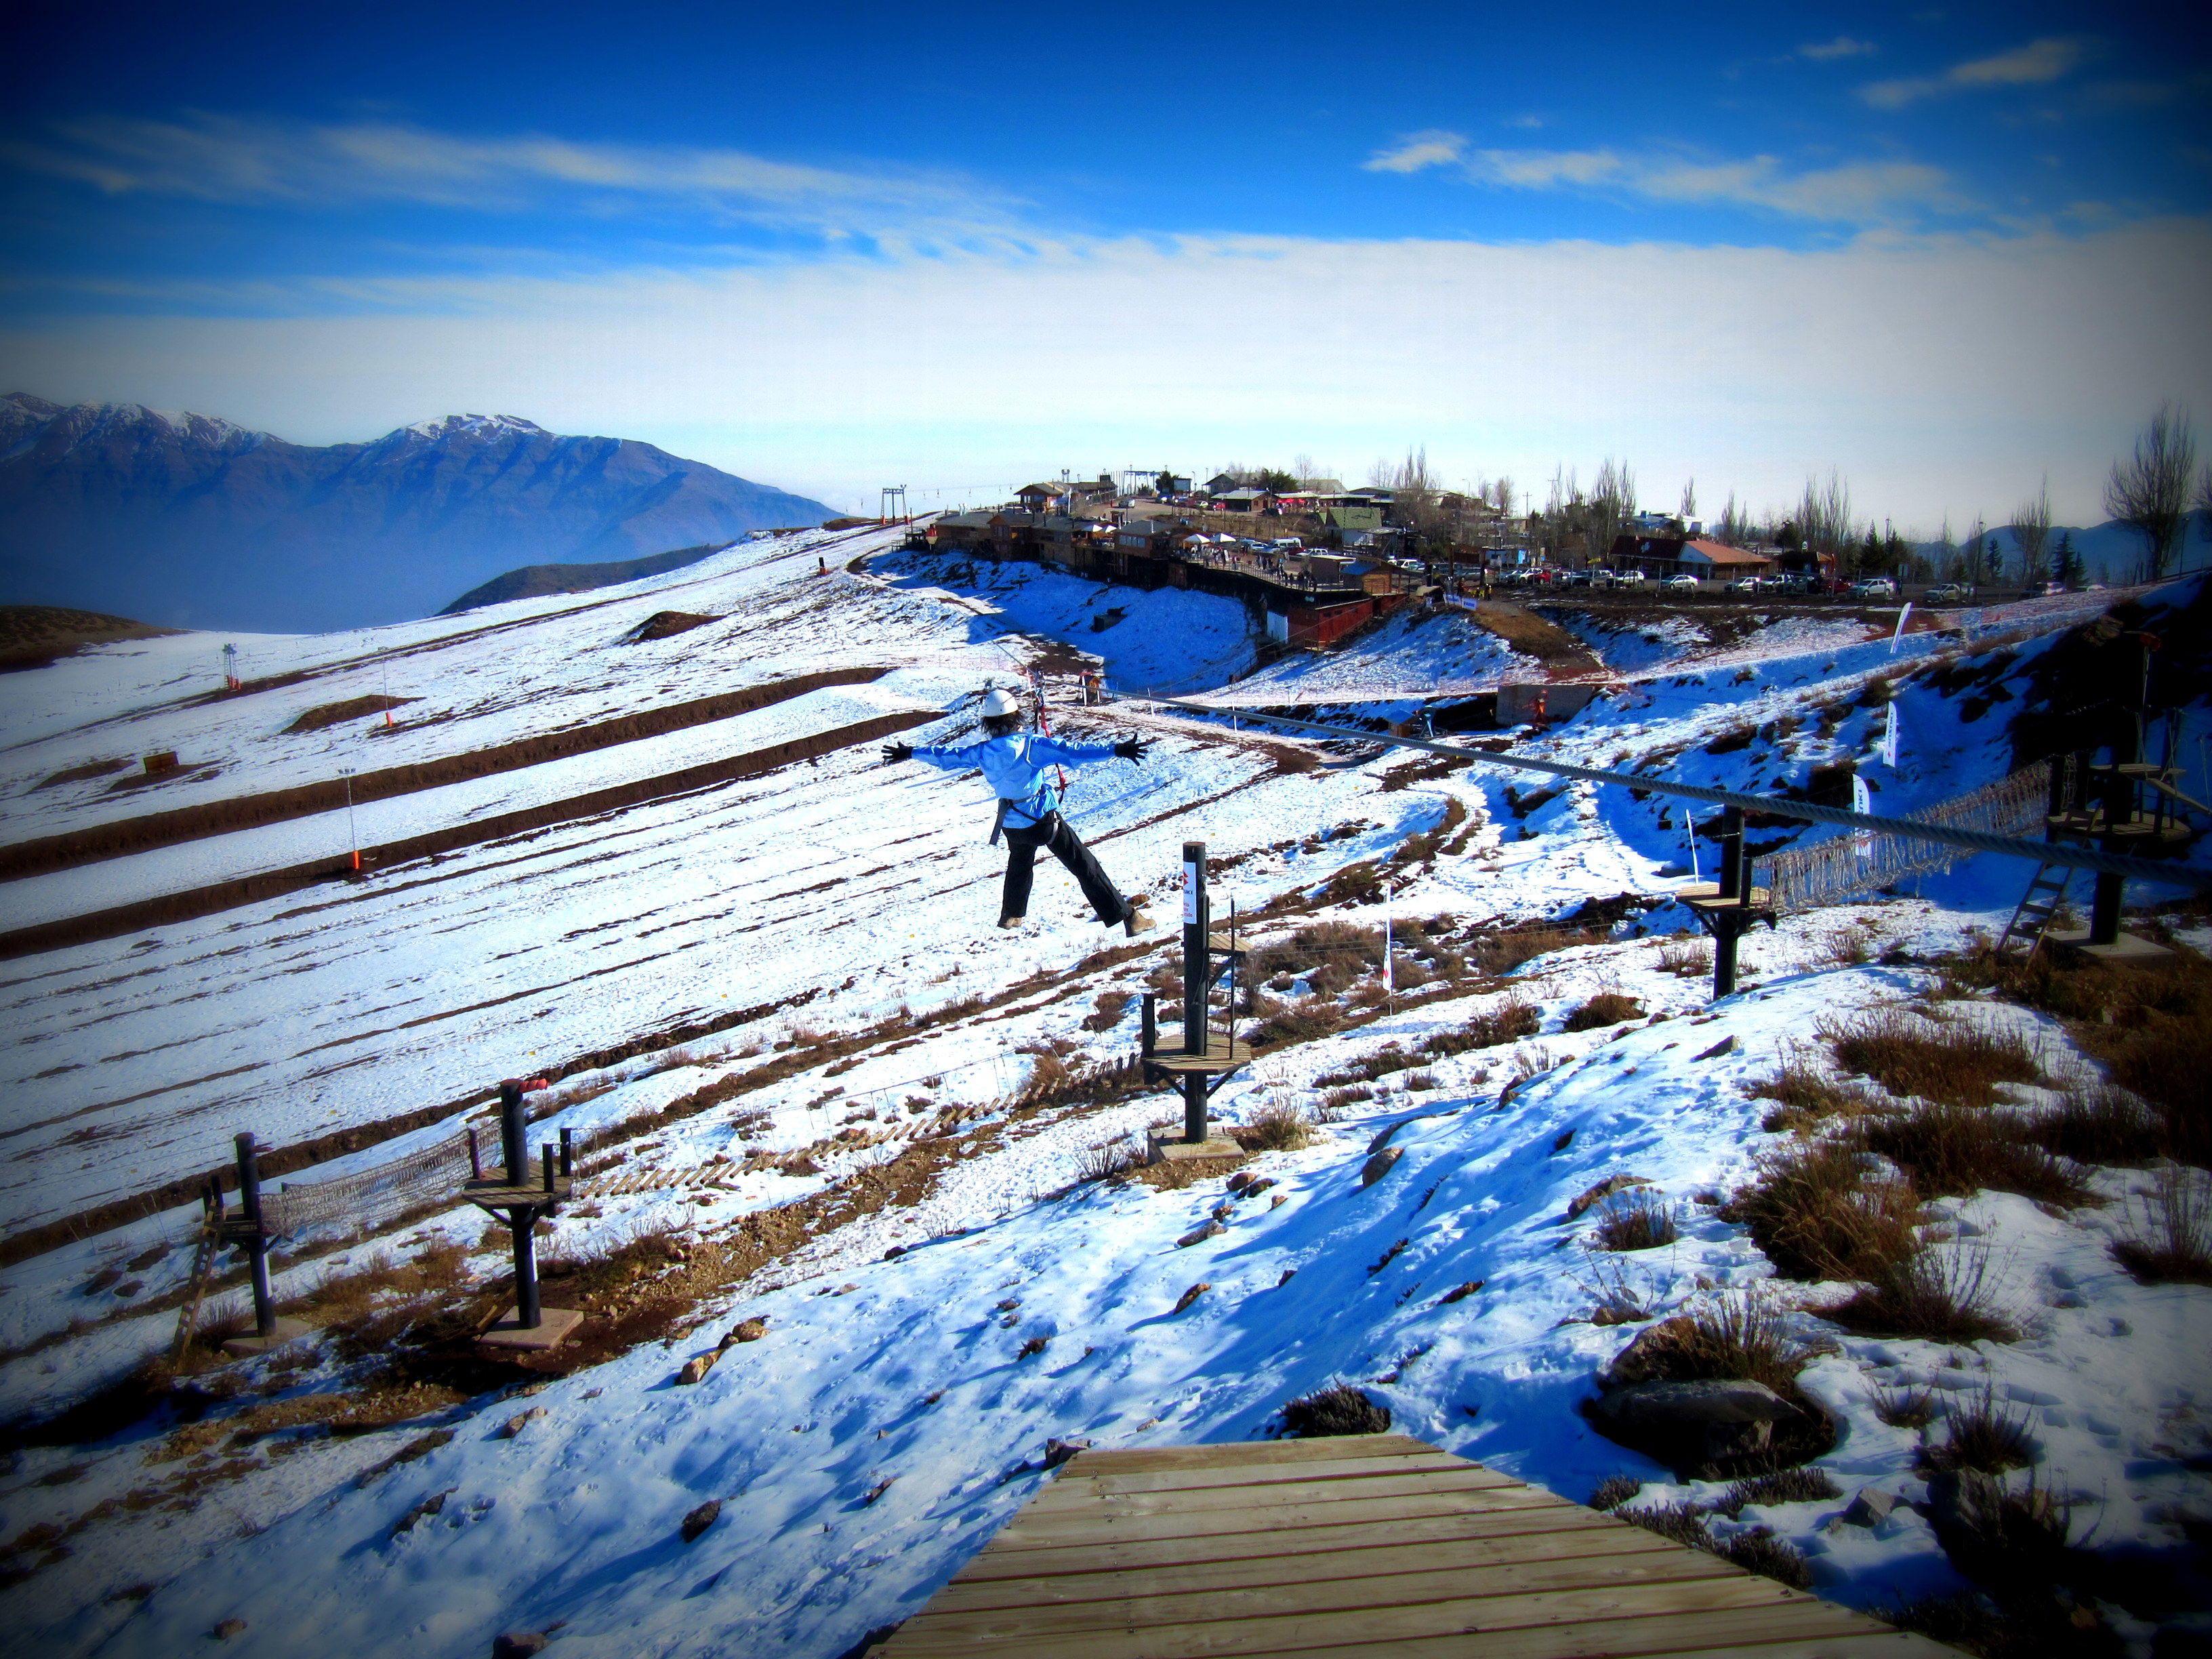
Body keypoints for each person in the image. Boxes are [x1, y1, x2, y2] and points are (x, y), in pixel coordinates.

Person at [882, 688, 1155, 935]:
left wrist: (911, 753)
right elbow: (1074, 751)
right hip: (1043, 822)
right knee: (1085, 866)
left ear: (988, 723)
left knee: (1020, 863)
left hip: (1012, 825)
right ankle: (1129, 917)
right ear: (1016, 717)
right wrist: (1117, 750)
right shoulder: (1031, 746)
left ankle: (1011, 915)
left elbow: (947, 756)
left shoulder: (981, 752)